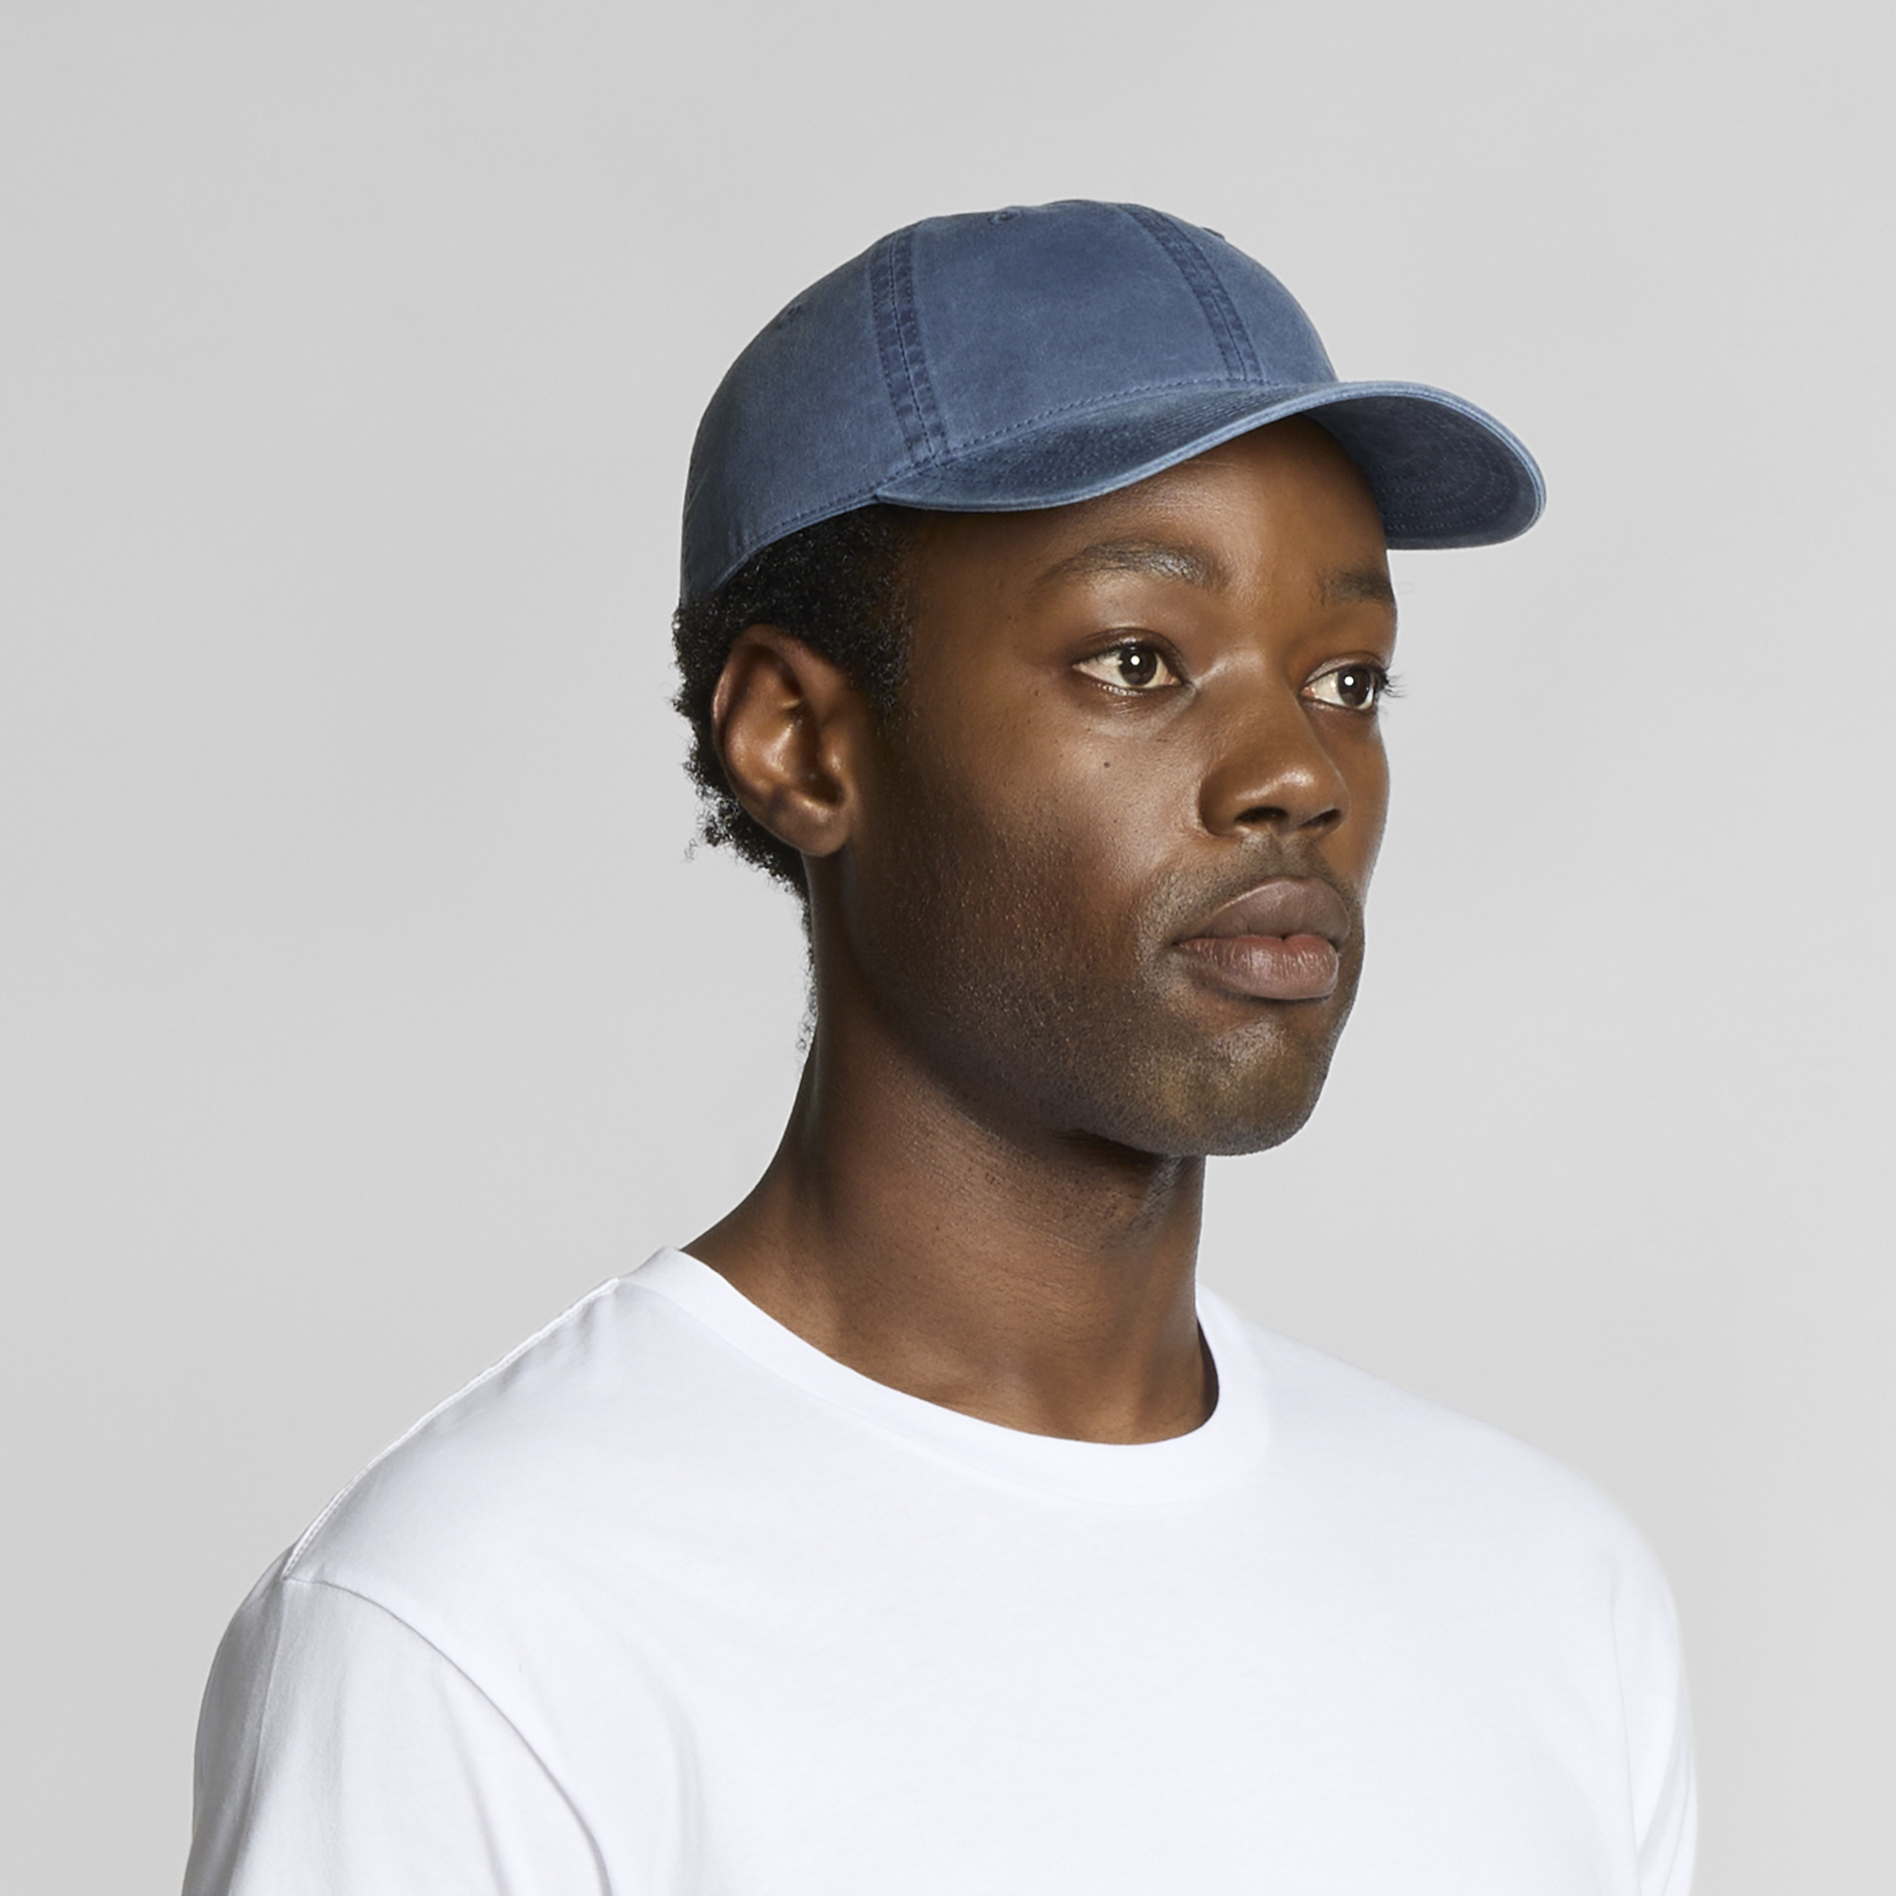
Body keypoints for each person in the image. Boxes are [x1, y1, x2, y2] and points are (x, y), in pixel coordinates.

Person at [184, 200, 1696, 1895]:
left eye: (1349, 680)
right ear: (799, 743)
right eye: (1139, 660)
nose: (1297, 773)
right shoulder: (480, 1633)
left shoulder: (1546, 1596)